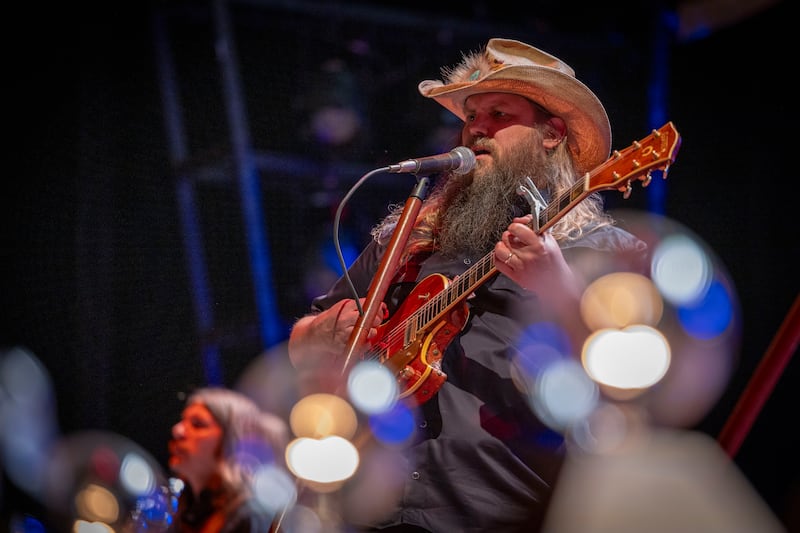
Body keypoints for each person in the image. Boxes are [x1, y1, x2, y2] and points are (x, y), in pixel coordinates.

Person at [287, 38, 648, 532]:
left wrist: (558, 288)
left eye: (499, 113)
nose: (477, 128)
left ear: (551, 133)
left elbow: (641, 382)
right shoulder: (405, 241)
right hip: (367, 511)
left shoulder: (598, 250)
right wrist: (322, 331)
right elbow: (300, 344)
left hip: (498, 514)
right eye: (471, 114)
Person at [163, 387, 291, 532]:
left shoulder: (249, 514)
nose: (177, 430)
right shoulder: (185, 510)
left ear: (232, 441)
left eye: (197, 424)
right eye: (182, 421)